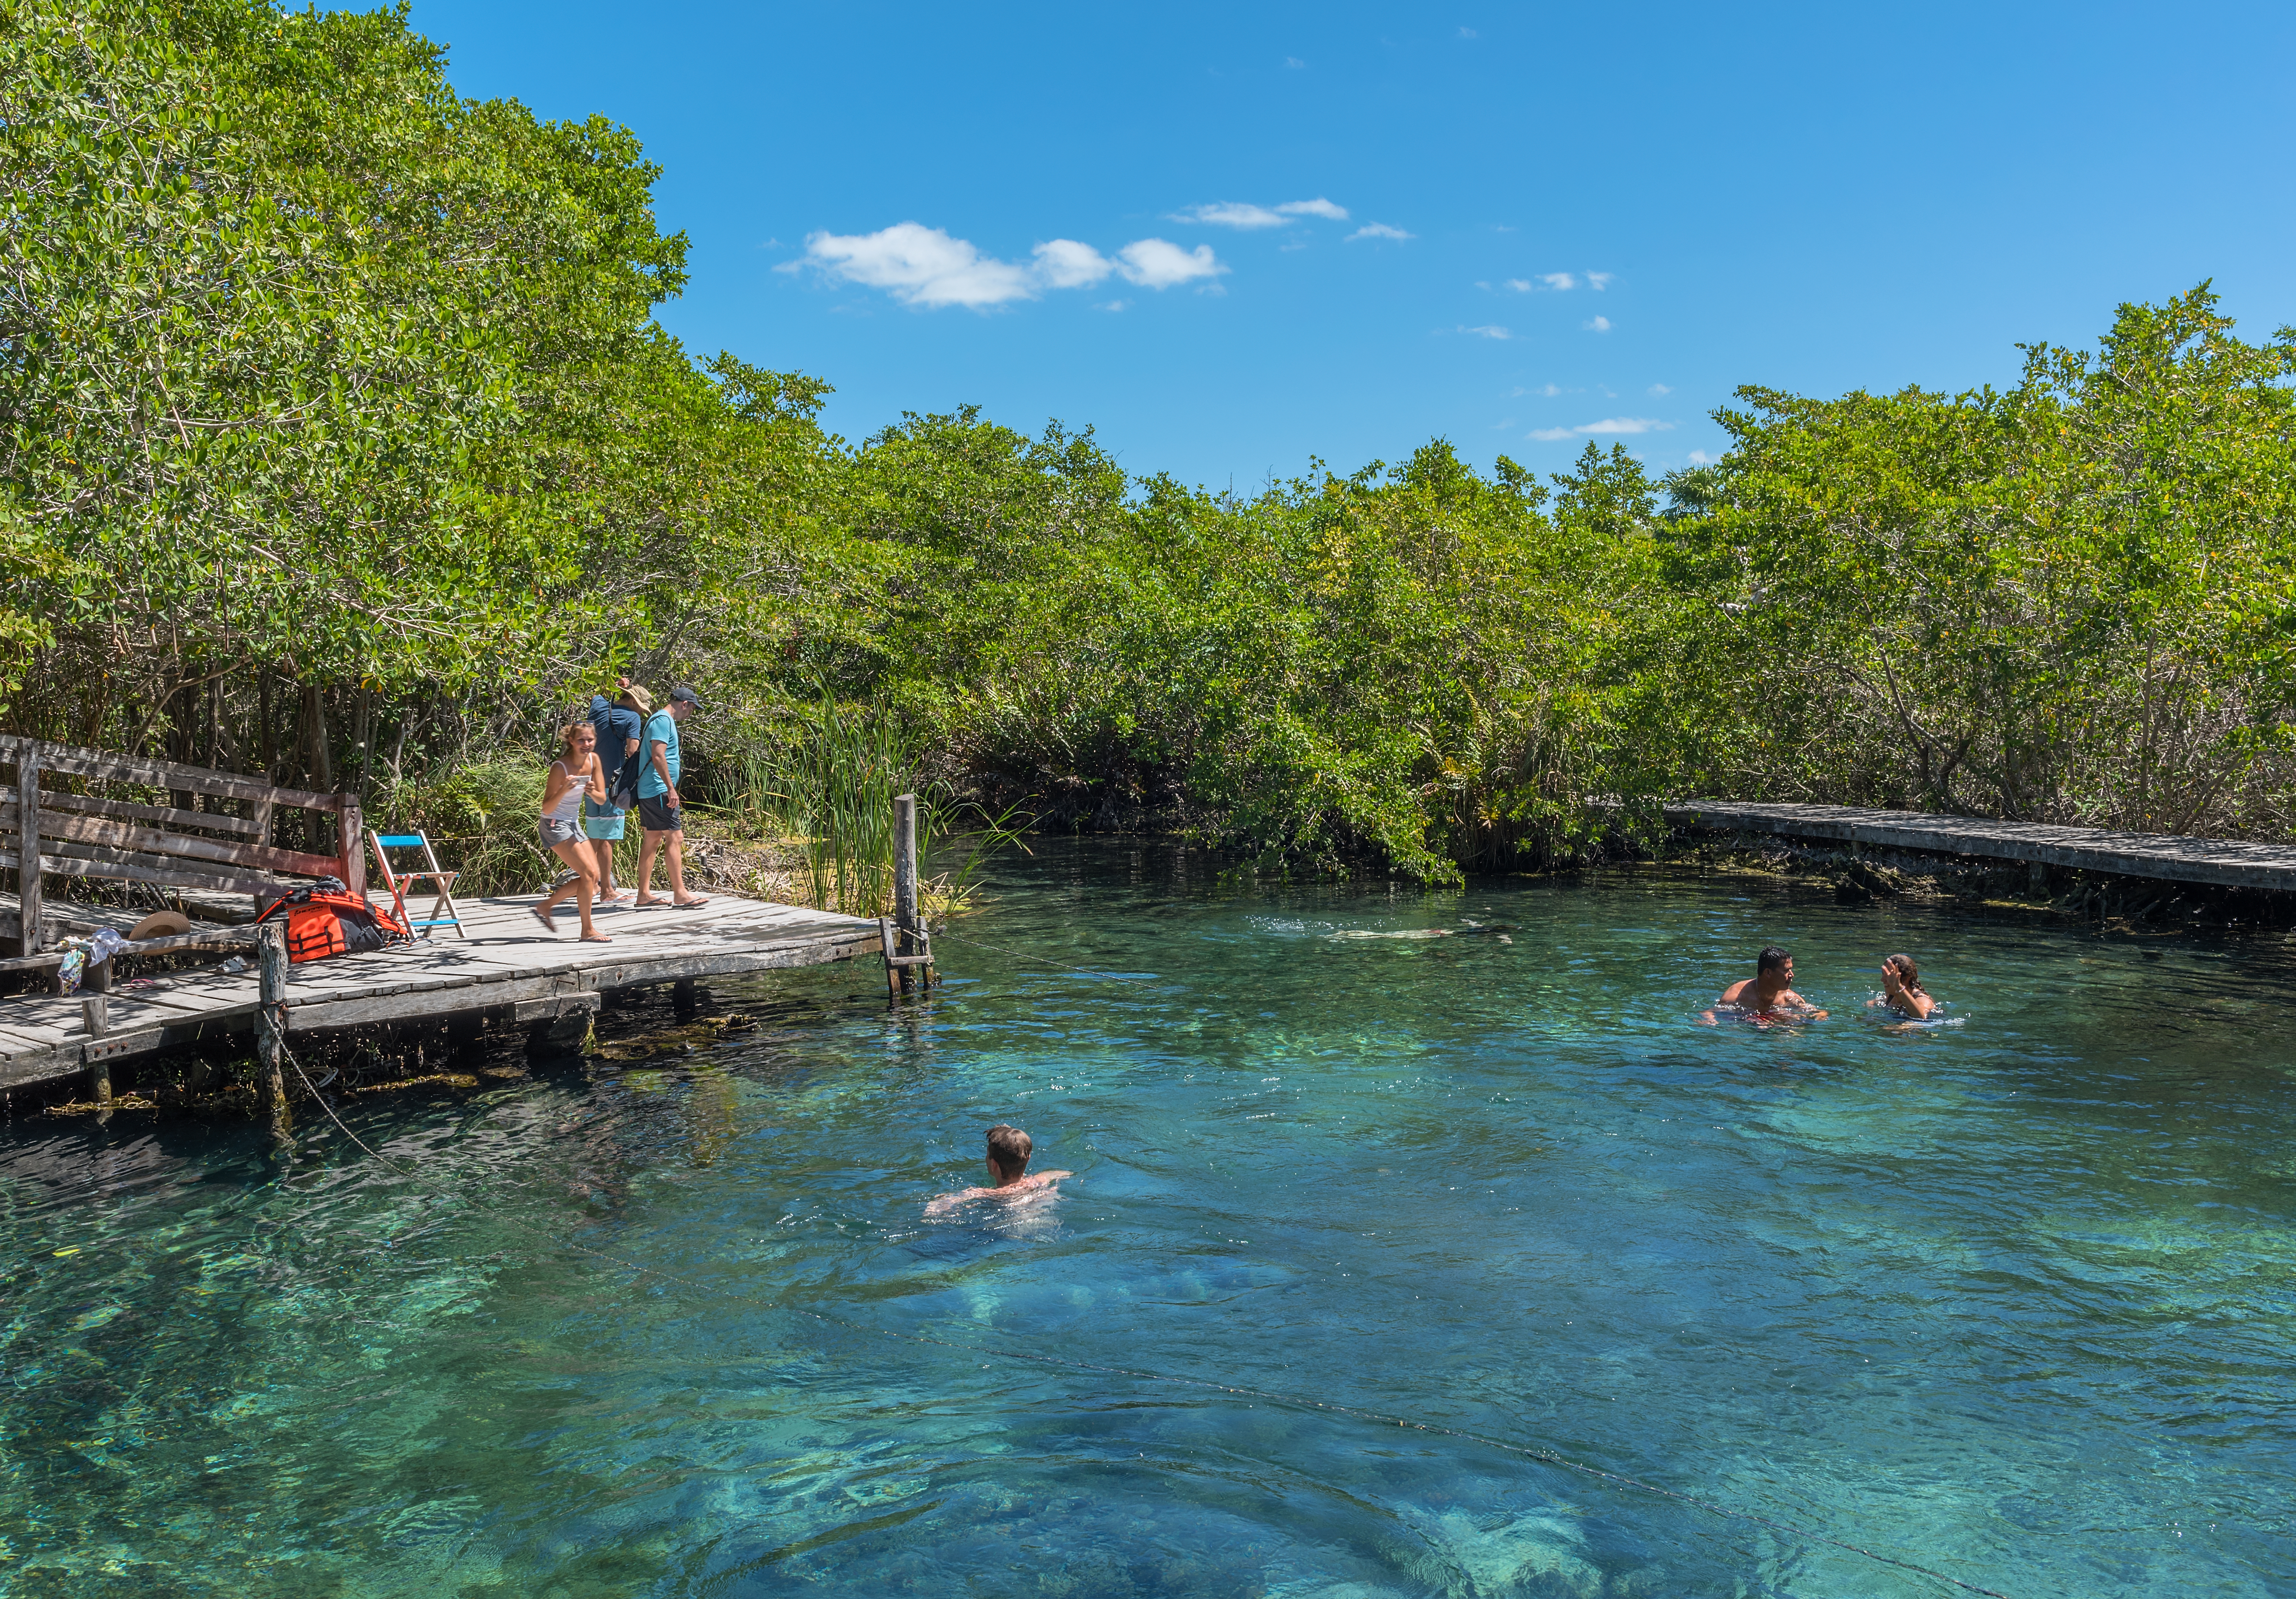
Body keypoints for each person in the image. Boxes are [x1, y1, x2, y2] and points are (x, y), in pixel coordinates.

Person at [633, 683, 710, 909]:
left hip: (652, 790)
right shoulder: (662, 721)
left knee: (653, 839)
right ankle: (680, 894)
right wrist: (671, 788)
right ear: (684, 704)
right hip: (658, 789)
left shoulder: (662, 721)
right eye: (692, 709)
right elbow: (658, 756)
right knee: (675, 838)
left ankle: (644, 895)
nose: (690, 714)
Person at [533, 722, 612, 942]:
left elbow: (602, 799)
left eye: (590, 740)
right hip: (554, 824)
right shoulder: (561, 767)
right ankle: (587, 931)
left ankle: (545, 906)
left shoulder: (594, 760)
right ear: (571, 742)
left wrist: (592, 791)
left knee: (594, 878)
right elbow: (546, 808)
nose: (586, 745)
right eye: (581, 741)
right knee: (588, 874)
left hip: (572, 824)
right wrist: (563, 790)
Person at [584, 679, 649, 905]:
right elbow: (632, 751)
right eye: (640, 707)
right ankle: (607, 892)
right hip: (611, 786)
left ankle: (590, 885)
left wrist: (616, 683)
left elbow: (598, 690)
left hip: (589, 781)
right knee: (608, 838)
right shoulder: (632, 718)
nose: (640, 712)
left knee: (593, 836)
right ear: (632, 701)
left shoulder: (599, 706)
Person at [925, 1124, 1073, 1216]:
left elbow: (940, 1207)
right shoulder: (1041, 1180)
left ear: (994, 1164)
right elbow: (1065, 1174)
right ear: (1028, 1159)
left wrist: (939, 1203)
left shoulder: (990, 1193)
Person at [1703, 944, 1827, 1024]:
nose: (1792, 975)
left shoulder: (1788, 997)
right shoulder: (1736, 996)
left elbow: (1818, 1012)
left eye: (1791, 970)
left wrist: (1818, 1016)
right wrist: (1710, 1020)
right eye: (1786, 971)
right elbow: (1710, 1013)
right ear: (1768, 973)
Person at [1871, 953, 1937, 1019]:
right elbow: (1879, 1000)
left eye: (1889, 976)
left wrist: (1899, 987)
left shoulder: (1923, 1000)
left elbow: (1922, 1018)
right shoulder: (1891, 995)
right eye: (1883, 974)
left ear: (1906, 979)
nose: (1882, 980)